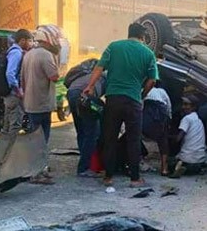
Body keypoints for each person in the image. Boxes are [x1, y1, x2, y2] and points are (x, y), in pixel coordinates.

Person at [83, 23, 158, 188]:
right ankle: (135, 179)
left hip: (113, 99)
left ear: (129, 33)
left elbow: (99, 68)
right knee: (133, 140)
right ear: (142, 36)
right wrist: (142, 95)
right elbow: (152, 80)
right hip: (133, 101)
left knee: (110, 138)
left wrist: (90, 86)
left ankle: (108, 177)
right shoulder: (148, 53)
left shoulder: (113, 47)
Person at [21, 25, 61, 184]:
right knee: (42, 140)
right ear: (48, 39)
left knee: (35, 139)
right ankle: (36, 173)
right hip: (42, 103)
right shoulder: (46, 55)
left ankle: (40, 169)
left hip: (31, 103)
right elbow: (54, 76)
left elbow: (22, 80)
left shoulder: (28, 55)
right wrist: (57, 60)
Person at [65, 60, 106, 178]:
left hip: (71, 94)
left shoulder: (89, 75)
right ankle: (84, 168)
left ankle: (84, 161)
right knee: (92, 133)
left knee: (81, 131)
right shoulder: (106, 77)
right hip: (84, 97)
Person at [0, 29, 33, 137]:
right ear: (22, 40)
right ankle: (11, 145)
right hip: (13, 95)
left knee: (7, 124)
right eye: (29, 40)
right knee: (15, 124)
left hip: (11, 94)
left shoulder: (14, 51)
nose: (30, 43)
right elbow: (10, 73)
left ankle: (4, 145)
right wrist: (17, 91)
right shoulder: (16, 53)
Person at [170, 96, 207, 178]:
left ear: (194, 107)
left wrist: (168, 138)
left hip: (187, 160)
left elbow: (178, 139)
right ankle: (195, 169)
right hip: (200, 161)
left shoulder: (187, 119)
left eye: (186, 104)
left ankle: (180, 167)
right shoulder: (198, 120)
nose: (183, 107)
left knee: (169, 162)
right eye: (183, 104)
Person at [142, 84, 171, 176]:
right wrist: (169, 120)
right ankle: (164, 168)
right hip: (160, 115)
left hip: (146, 115)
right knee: (163, 140)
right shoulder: (161, 91)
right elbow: (168, 106)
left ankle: (134, 164)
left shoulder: (141, 90)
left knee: (134, 137)